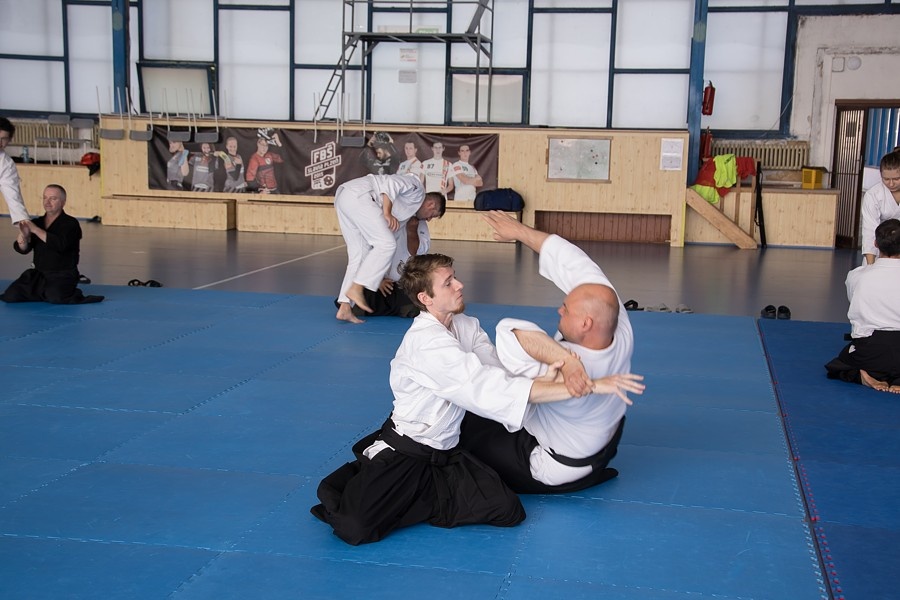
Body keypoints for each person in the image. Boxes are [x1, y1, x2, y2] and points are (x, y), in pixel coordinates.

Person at [311, 252, 645, 545]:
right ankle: (375, 475)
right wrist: (587, 385)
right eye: (448, 283)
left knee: (506, 510)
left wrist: (547, 376)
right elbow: (486, 389)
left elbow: (498, 371)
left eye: (455, 278)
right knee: (355, 527)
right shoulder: (427, 345)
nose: (460, 286)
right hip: (408, 452)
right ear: (426, 298)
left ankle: (421, 493)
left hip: (446, 454)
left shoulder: (465, 325)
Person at [458, 211, 635, 493]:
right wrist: (518, 230)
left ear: (585, 323)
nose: (559, 309)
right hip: (602, 440)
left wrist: (565, 362)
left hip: (556, 466)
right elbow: (572, 258)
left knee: (462, 431)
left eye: (567, 308)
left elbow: (511, 335)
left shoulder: (567, 383)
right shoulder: (616, 321)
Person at [334, 173, 445, 323]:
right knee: (387, 244)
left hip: (345, 199)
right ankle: (356, 288)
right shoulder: (417, 188)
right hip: (360, 195)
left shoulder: (407, 214)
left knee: (358, 256)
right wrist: (387, 212)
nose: (429, 219)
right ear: (431, 204)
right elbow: (390, 183)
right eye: (433, 214)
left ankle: (345, 307)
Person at [825, 218, 900, 392]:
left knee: (840, 362)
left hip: (870, 353)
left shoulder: (857, 276)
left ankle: (864, 376)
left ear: (875, 243)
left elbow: (855, 302)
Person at [1, 184, 103, 304]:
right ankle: (42, 291)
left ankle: (71, 292)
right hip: (38, 274)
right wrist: (24, 235)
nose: (47, 202)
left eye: (53, 198)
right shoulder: (37, 222)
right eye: (45, 198)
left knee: (56, 297)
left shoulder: (71, 223)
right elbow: (23, 249)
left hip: (63, 274)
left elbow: (61, 245)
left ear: (63, 202)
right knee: (11, 296)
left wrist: (35, 230)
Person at [348, 216, 431, 318]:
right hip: (376, 284)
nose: (430, 218)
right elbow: (366, 255)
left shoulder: (418, 224)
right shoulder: (379, 220)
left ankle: (398, 307)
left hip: (401, 286)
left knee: (415, 304)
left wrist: (412, 231)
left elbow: (417, 254)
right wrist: (377, 280)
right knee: (360, 300)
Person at [860, 150, 900, 265]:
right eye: (886, 179)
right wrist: (870, 267)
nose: (891, 184)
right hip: (879, 250)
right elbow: (869, 231)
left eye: (896, 179)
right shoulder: (873, 195)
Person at [0, 117, 29, 226]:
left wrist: (24, 221)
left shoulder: (6, 164)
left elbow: (13, 195)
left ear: (10, 139)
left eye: (3, 139)